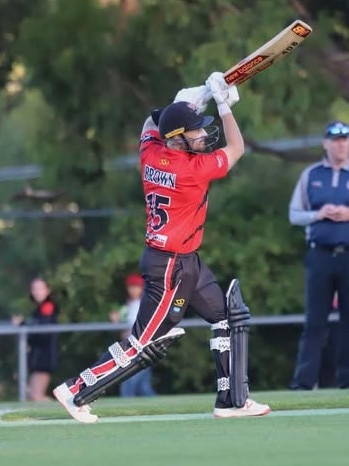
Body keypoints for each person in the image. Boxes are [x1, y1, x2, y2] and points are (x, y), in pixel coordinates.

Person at [53, 72, 270, 423]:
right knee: (144, 343)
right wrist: (223, 107)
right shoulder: (192, 170)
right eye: (196, 129)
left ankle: (231, 401)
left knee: (225, 316)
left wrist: (188, 101)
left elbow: (148, 124)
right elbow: (237, 149)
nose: (203, 133)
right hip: (170, 266)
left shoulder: (152, 153)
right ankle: (76, 390)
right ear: (179, 140)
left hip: (185, 261)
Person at [289, 120, 349, 390]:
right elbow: (294, 214)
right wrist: (319, 214)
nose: (341, 144)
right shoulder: (311, 175)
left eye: (345, 139)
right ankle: (303, 383)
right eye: (336, 140)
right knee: (315, 321)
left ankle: (346, 380)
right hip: (320, 255)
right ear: (326, 143)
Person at [12, 278, 59, 401]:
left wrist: (22, 325)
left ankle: (60, 409)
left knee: (36, 396)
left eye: (40, 288)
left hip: (44, 358)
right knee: (32, 395)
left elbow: (42, 329)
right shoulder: (38, 310)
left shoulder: (48, 306)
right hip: (38, 358)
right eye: (34, 289)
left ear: (47, 290)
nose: (37, 292)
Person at [109, 273, 156, 397]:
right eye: (131, 287)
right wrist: (116, 320)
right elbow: (122, 328)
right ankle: (163, 409)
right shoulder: (127, 307)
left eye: (136, 287)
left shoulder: (144, 304)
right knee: (143, 386)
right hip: (131, 347)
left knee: (129, 384)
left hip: (141, 347)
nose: (133, 290)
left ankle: (124, 410)